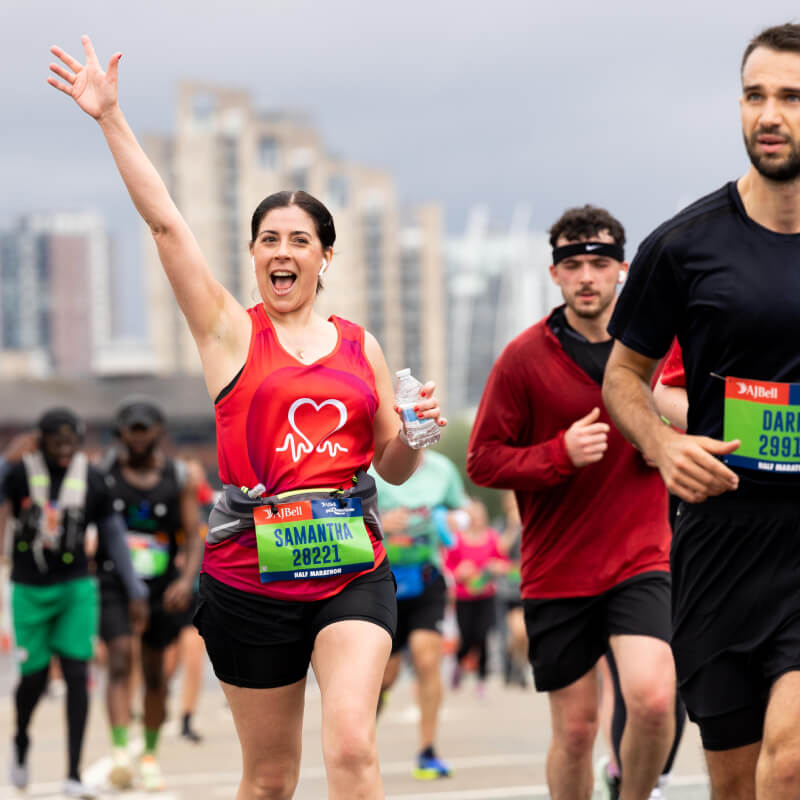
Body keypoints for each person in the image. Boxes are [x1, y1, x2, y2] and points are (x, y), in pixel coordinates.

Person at [48, 37, 446, 800]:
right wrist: (110, 120)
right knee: (269, 781)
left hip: (349, 572)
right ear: (255, 256)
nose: (283, 251)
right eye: (270, 240)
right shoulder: (230, 332)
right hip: (251, 580)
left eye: (301, 240)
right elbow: (168, 227)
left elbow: (390, 465)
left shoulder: (362, 347)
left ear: (325, 257)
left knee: (355, 750)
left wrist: (418, 437)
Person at [602, 23, 800, 799]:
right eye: (755, 96)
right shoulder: (684, 246)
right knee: (738, 785)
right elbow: (623, 376)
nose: (770, 114)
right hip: (721, 543)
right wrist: (660, 444)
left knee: (789, 763)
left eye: (790, 96)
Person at [467, 205, 677, 800]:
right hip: (557, 571)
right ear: (555, 274)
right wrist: (559, 453)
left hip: (642, 559)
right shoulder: (523, 358)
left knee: (654, 700)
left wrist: (662, 435)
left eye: (600, 263)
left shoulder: (656, 350)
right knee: (578, 729)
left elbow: (692, 415)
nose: (588, 276)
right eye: (574, 264)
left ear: (623, 270)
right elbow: (483, 460)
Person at [0, 408, 146, 799]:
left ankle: (73, 773)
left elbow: (113, 535)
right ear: (40, 440)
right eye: (56, 442)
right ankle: (20, 740)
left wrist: (135, 590)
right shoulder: (19, 472)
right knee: (32, 679)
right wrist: (9, 455)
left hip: (76, 587)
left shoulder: (93, 478)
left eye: (71, 442)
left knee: (77, 672)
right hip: (29, 589)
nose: (65, 450)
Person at [97, 397, 203, 790]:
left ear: (159, 431)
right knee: (121, 659)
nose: (139, 438)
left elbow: (192, 537)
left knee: (157, 674)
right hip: (114, 582)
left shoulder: (178, 477)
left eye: (146, 429)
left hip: (163, 587)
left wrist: (183, 580)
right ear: (121, 432)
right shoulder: (105, 473)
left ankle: (150, 756)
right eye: (132, 430)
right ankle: (121, 752)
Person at [371, 450, 466, 780]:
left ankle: (427, 750)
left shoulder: (442, 469)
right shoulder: (367, 468)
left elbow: (463, 511)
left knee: (428, 660)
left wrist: (454, 521)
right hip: (382, 581)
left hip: (427, 578)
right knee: (385, 677)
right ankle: (362, 742)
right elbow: (344, 514)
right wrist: (381, 521)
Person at [444, 499, 508, 697]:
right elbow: (447, 567)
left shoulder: (492, 538)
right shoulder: (457, 540)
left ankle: (481, 680)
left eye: (481, 515)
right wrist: (459, 572)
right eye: (474, 515)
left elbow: (503, 562)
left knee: (482, 636)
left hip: (486, 595)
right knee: (467, 636)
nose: (478, 519)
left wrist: (497, 567)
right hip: (464, 597)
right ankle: (459, 662)